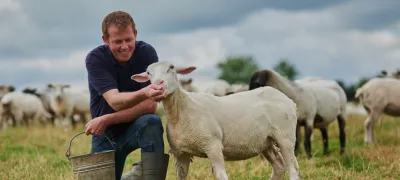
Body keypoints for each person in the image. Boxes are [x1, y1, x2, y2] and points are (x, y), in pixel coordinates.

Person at [84, 11, 169, 180]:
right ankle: (134, 177)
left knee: (151, 121)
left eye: (128, 40)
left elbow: (150, 106)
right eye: (117, 41)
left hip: (134, 125)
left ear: (135, 34)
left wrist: (106, 119)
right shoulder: (95, 59)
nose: (124, 46)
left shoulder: (146, 53)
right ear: (105, 40)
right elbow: (115, 101)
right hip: (105, 134)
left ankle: (151, 176)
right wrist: (145, 92)